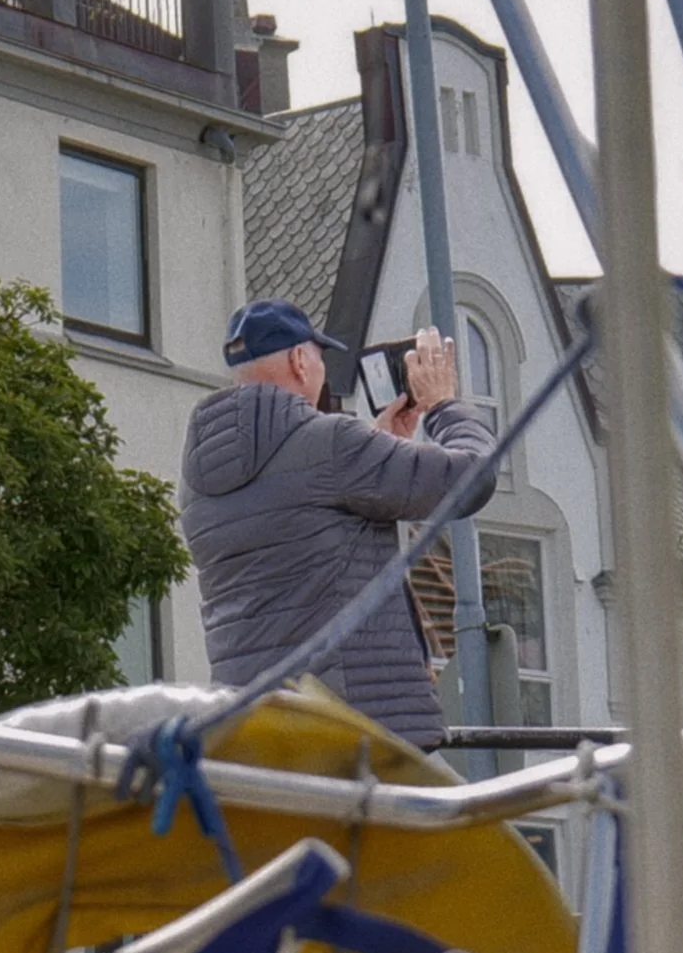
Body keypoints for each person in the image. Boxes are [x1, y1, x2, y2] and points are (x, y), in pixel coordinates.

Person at [178, 297, 497, 750]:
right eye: (319, 356)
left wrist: (381, 447)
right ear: (299, 360)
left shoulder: (197, 478)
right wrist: (444, 405)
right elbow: (472, 477)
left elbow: (298, 530)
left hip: (255, 727)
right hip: (353, 724)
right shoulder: (333, 445)